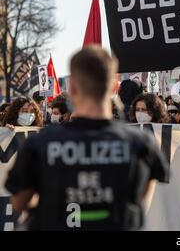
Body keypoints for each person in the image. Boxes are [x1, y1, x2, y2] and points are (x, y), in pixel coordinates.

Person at [5, 47, 169, 231]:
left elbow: (19, 202)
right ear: (115, 86)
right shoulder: (142, 144)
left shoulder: (39, 144)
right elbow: (139, 202)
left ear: (73, 87)